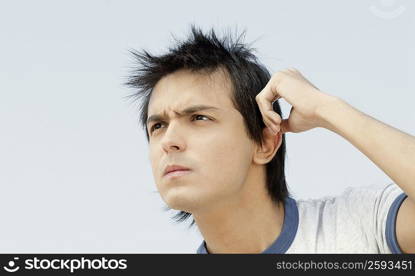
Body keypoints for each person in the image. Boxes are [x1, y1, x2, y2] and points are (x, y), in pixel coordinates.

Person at [123, 25, 415, 254]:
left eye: (199, 118)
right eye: (158, 125)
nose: (168, 141)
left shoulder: (361, 226)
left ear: (265, 142)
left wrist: (327, 109)